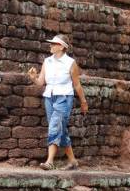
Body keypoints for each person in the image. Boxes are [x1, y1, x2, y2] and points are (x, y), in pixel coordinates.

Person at [27, 34, 88, 170]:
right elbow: (40, 82)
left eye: (54, 44)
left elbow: (77, 85)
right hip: (49, 97)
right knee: (60, 129)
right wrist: (33, 78)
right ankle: (72, 161)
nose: (51, 46)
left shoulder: (70, 63)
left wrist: (83, 102)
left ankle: (49, 161)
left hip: (64, 98)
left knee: (54, 126)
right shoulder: (47, 61)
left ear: (61, 47)